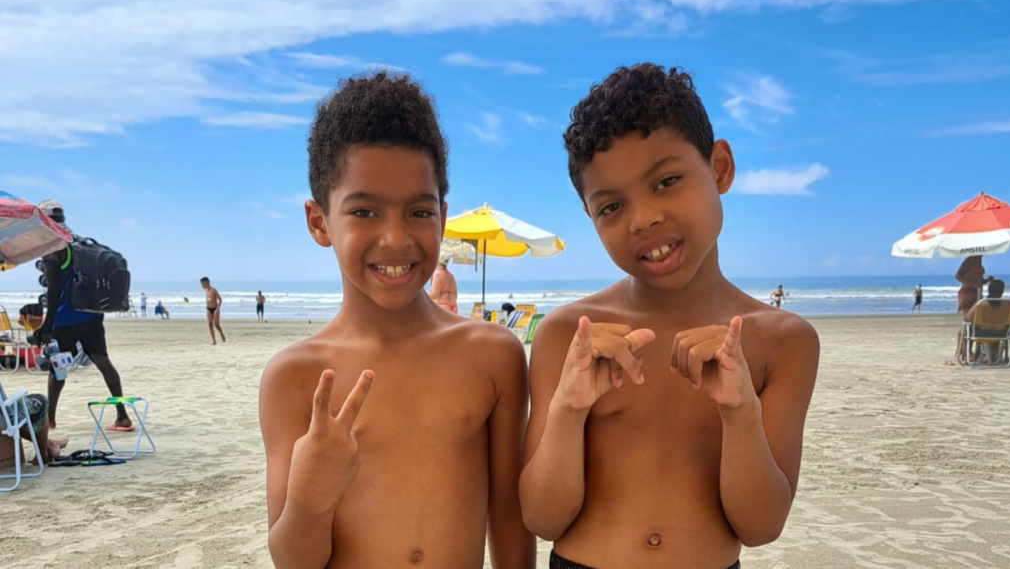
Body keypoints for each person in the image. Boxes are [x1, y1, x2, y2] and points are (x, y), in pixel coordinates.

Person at [519, 64, 820, 569]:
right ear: (591, 218)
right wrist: (567, 412)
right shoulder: (570, 335)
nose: (644, 218)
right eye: (611, 206)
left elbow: (761, 526)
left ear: (719, 167)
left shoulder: (782, 340)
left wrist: (740, 413)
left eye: (667, 181)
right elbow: (542, 518)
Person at [258, 71, 534, 568]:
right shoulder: (295, 376)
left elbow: (509, 518)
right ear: (319, 222)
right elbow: (292, 560)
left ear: (443, 217)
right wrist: (310, 498)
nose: (396, 239)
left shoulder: (494, 355)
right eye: (364, 212)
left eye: (419, 213)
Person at [34, 200, 133, 432]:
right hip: (91, 314)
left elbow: (54, 290)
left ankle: (50, 420)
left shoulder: (52, 247)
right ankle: (122, 416)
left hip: (66, 319)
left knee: (57, 369)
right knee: (103, 361)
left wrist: (47, 324)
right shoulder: (75, 239)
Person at [961, 279, 1010, 364]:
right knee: (994, 332)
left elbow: (967, 318)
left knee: (964, 331)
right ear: (1002, 290)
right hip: (1001, 334)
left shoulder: (981, 304)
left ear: (989, 290)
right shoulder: (1009, 304)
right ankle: (991, 359)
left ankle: (969, 356)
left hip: (979, 333)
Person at [200, 277, 226, 345]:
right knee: (209, 324)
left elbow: (220, 300)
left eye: (202, 284)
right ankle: (214, 341)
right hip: (208, 308)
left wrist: (217, 309)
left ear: (206, 283)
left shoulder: (213, 290)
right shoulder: (205, 290)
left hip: (215, 308)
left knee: (216, 325)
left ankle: (221, 334)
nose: (201, 286)